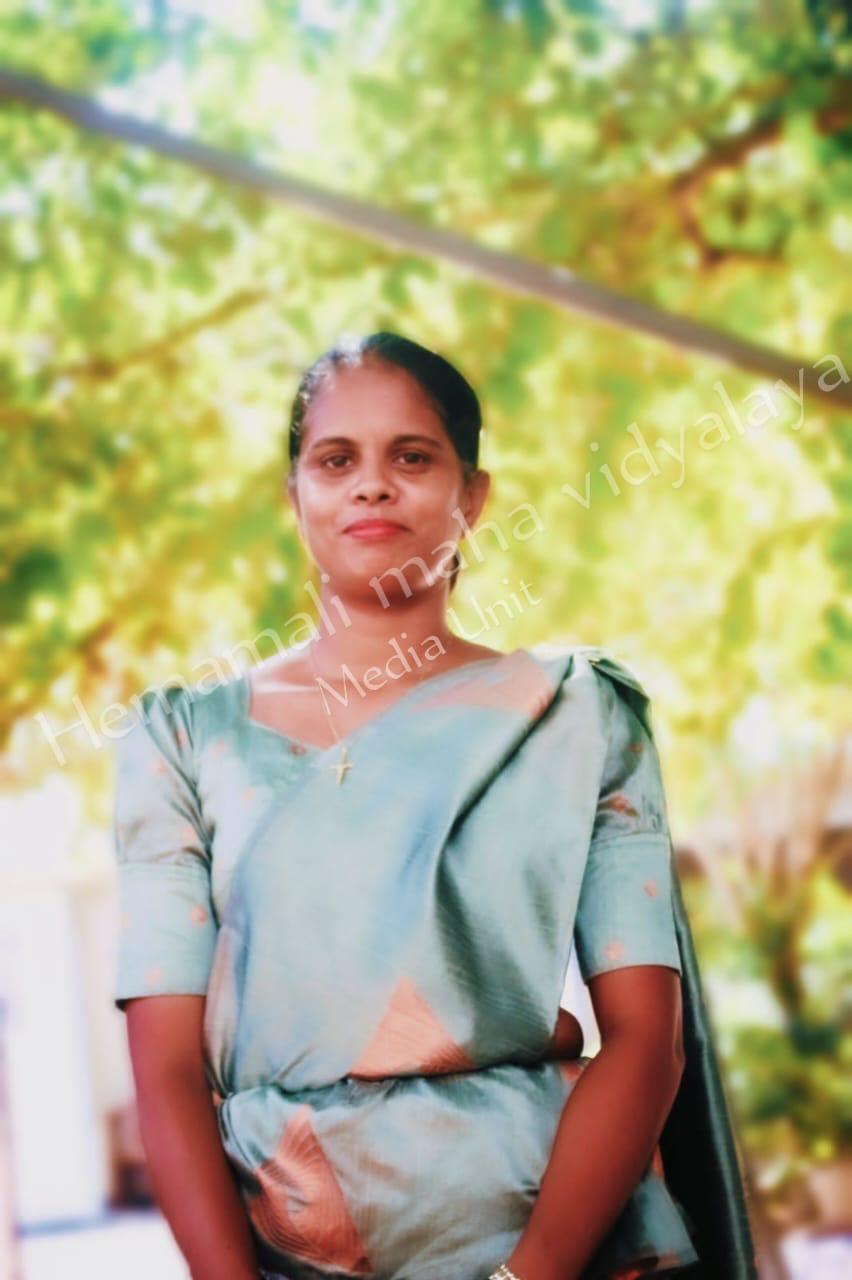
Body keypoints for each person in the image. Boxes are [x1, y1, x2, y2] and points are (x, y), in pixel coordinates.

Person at [111, 332, 757, 1280]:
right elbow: (164, 1072)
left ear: (474, 497)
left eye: (411, 458)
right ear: (296, 496)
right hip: (289, 1245)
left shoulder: (574, 716)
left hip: (554, 1233)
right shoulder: (185, 739)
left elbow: (645, 1039)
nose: (372, 486)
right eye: (337, 460)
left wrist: (531, 1273)